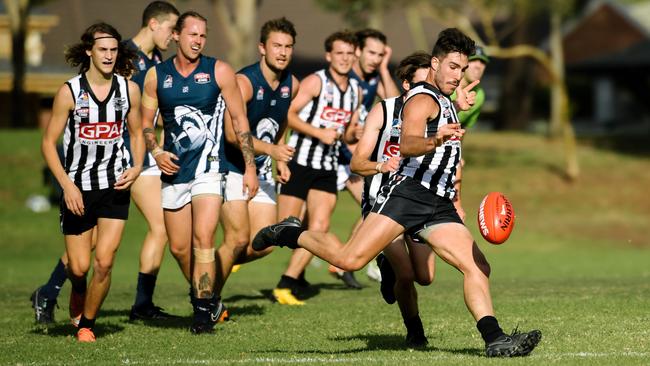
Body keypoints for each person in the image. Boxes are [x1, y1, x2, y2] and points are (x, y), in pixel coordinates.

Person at [253, 28, 542, 357]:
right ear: (435, 63)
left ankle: (495, 339)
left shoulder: (446, 99)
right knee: (350, 259)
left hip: (438, 202)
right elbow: (407, 143)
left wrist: (457, 105)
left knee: (477, 267)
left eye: (462, 69)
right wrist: (436, 139)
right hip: (406, 196)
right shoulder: (421, 99)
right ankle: (290, 232)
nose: (457, 75)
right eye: (452, 67)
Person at [29, 1, 181, 325]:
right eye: (173, 28)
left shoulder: (153, 61)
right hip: (97, 169)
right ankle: (128, 301)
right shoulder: (124, 56)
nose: (176, 36)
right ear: (154, 24)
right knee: (96, 251)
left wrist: (151, 151)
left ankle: (60, 295)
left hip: (126, 164)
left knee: (103, 248)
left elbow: (143, 117)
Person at [141, 11, 258, 334]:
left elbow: (240, 121)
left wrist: (249, 167)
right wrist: (156, 151)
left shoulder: (219, 70)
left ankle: (202, 314)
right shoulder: (156, 76)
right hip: (173, 171)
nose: (198, 41)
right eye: (192, 34)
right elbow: (145, 125)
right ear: (176, 35)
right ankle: (206, 298)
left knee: (203, 238)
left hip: (209, 169)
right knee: (179, 248)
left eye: (202, 36)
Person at [41, 22, 144, 342]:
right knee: (80, 266)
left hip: (115, 185)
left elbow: (138, 133)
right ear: (89, 51)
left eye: (114, 50)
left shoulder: (129, 90)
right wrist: (67, 186)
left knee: (105, 261)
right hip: (78, 188)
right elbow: (48, 143)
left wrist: (137, 165)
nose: (109, 55)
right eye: (103, 49)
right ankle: (78, 291)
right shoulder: (69, 92)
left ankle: (87, 323)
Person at [271, 30, 362, 305]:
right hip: (299, 162)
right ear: (328, 56)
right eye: (339, 53)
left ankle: (286, 284)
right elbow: (288, 114)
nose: (345, 59)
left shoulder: (356, 91)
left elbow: (345, 134)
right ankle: (241, 254)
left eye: (349, 53)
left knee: (320, 227)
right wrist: (318, 132)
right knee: (284, 229)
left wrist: (353, 134)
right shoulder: (315, 82)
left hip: (327, 167)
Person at [350, 51, 434, 347]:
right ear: (406, 84)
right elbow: (356, 163)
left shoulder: (435, 112)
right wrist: (380, 166)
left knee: (425, 276)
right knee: (407, 274)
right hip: (384, 202)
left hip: (421, 202)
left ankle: (387, 265)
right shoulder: (383, 111)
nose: (428, 91)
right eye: (422, 84)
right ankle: (415, 331)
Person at [216, 17, 299, 302]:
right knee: (237, 240)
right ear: (262, 47)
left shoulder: (292, 83)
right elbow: (231, 133)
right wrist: (273, 151)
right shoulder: (244, 82)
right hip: (230, 167)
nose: (283, 52)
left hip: (260, 169)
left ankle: (210, 271)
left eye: (288, 46)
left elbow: (282, 121)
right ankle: (207, 299)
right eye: (277, 45)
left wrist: (281, 157)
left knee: (264, 243)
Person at [331, 28, 400, 284]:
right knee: (304, 220)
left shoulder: (374, 78)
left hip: (350, 160)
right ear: (357, 51)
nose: (374, 58)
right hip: (329, 155)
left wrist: (383, 68)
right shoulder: (342, 76)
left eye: (380, 55)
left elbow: (395, 102)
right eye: (371, 53)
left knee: (372, 208)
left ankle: (343, 263)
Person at [452, 45, 488, 129]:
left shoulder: (479, 95)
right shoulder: (445, 86)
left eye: (483, 62)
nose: (478, 66)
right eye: (473, 60)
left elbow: (463, 127)